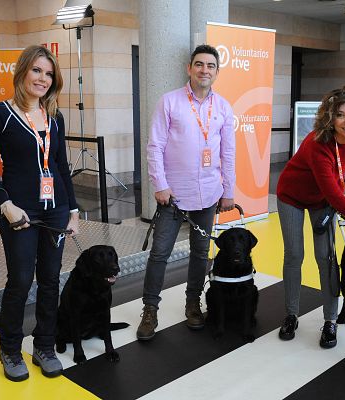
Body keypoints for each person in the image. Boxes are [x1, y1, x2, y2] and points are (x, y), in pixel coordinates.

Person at [0, 45, 80, 381]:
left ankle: (45, 345)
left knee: (51, 281)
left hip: (56, 211)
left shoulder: (55, 116)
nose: (43, 78)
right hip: (18, 212)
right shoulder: (0, 113)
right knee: (21, 281)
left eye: (49, 73)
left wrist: (74, 210)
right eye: (37, 70)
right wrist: (5, 204)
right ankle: (10, 349)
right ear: (23, 71)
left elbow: (60, 167)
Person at [136, 44, 235, 341]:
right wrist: (160, 185)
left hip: (208, 193)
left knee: (200, 252)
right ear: (189, 68)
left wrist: (228, 191)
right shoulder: (169, 102)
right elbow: (155, 146)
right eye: (199, 64)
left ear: (217, 72)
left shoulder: (223, 107)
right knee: (160, 253)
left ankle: (193, 303)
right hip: (174, 195)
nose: (205, 70)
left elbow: (228, 152)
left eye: (211, 66)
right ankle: (150, 309)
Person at [276, 87, 345, 348]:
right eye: (341, 115)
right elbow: (333, 195)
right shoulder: (317, 143)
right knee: (295, 255)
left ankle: (330, 320)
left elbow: (341, 174)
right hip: (292, 196)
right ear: (330, 118)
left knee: (327, 258)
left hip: (322, 198)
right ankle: (291, 314)